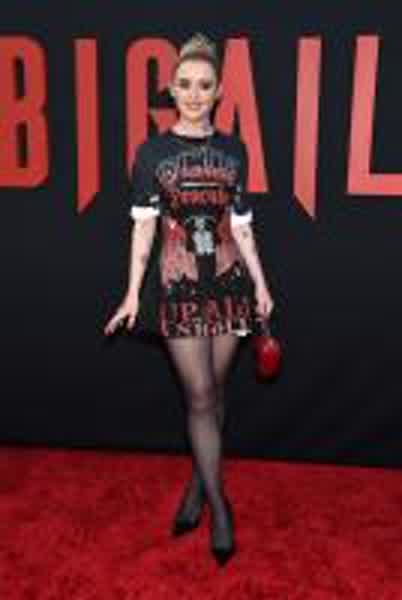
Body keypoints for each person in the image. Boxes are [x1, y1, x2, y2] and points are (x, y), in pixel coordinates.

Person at [104, 32, 275, 566]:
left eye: (204, 85)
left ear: (218, 91)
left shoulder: (235, 150)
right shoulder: (151, 153)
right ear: (172, 90)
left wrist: (262, 285)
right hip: (178, 285)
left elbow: (242, 226)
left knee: (217, 390)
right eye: (185, 85)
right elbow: (143, 229)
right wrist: (132, 293)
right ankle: (220, 507)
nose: (195, 94)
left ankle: (199, 486)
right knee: (200, 395)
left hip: (228, 283)